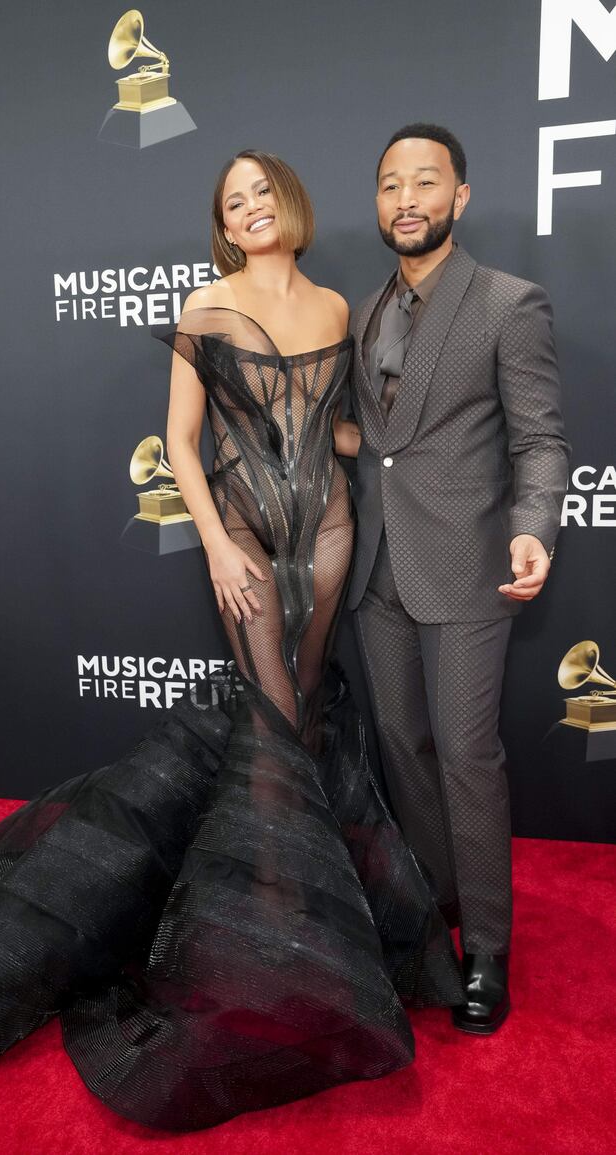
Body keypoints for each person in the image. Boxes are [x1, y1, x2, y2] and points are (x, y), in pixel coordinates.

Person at [0, 150, 463, 1132]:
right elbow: (179, 441)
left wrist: (411, 444)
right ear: (221, 222)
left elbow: (338, 429)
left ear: (288, 204)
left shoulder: (339, 307)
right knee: (266, 717)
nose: (253, 207)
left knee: (302, 716)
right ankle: (264, 925)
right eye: (235, 200)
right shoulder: (201, 305)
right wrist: (218, 545)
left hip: (333, 529)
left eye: (263, 191)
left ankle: (298, 904)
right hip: (245, 538)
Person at [335, 124, 570, 1035]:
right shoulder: (361, 312)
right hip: (378, 567)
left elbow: (540, 438)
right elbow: (379, 446)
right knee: (404, 746)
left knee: (469, 755)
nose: (406, 199)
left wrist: (533, 528)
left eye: (425, 182)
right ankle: (436, 913)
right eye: (391, 183)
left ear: (459, 197)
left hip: (471, 564)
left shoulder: (509, 303)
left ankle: (491, 952)